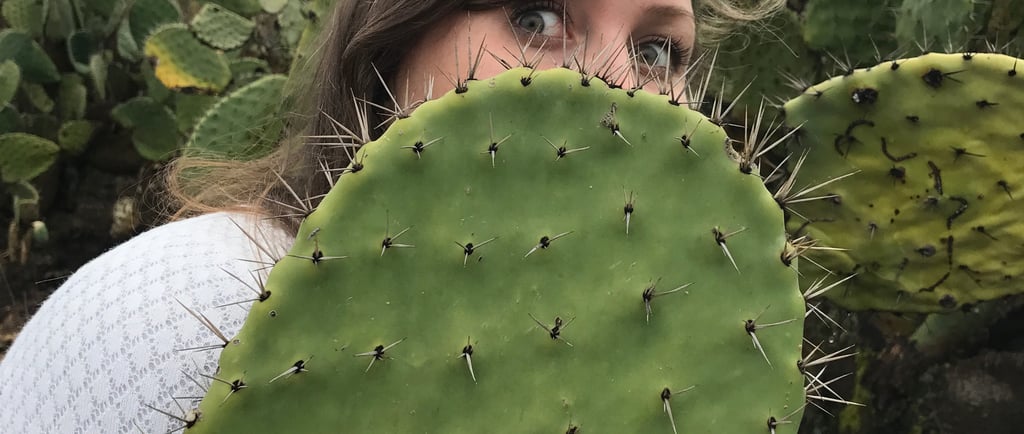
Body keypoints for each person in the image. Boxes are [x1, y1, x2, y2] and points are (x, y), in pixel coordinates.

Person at [0, 0, 782, 432]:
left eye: (657, 52)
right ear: (393, 39)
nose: (619, 86)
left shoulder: (654, 371)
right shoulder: (188, 302)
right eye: (536, 17)